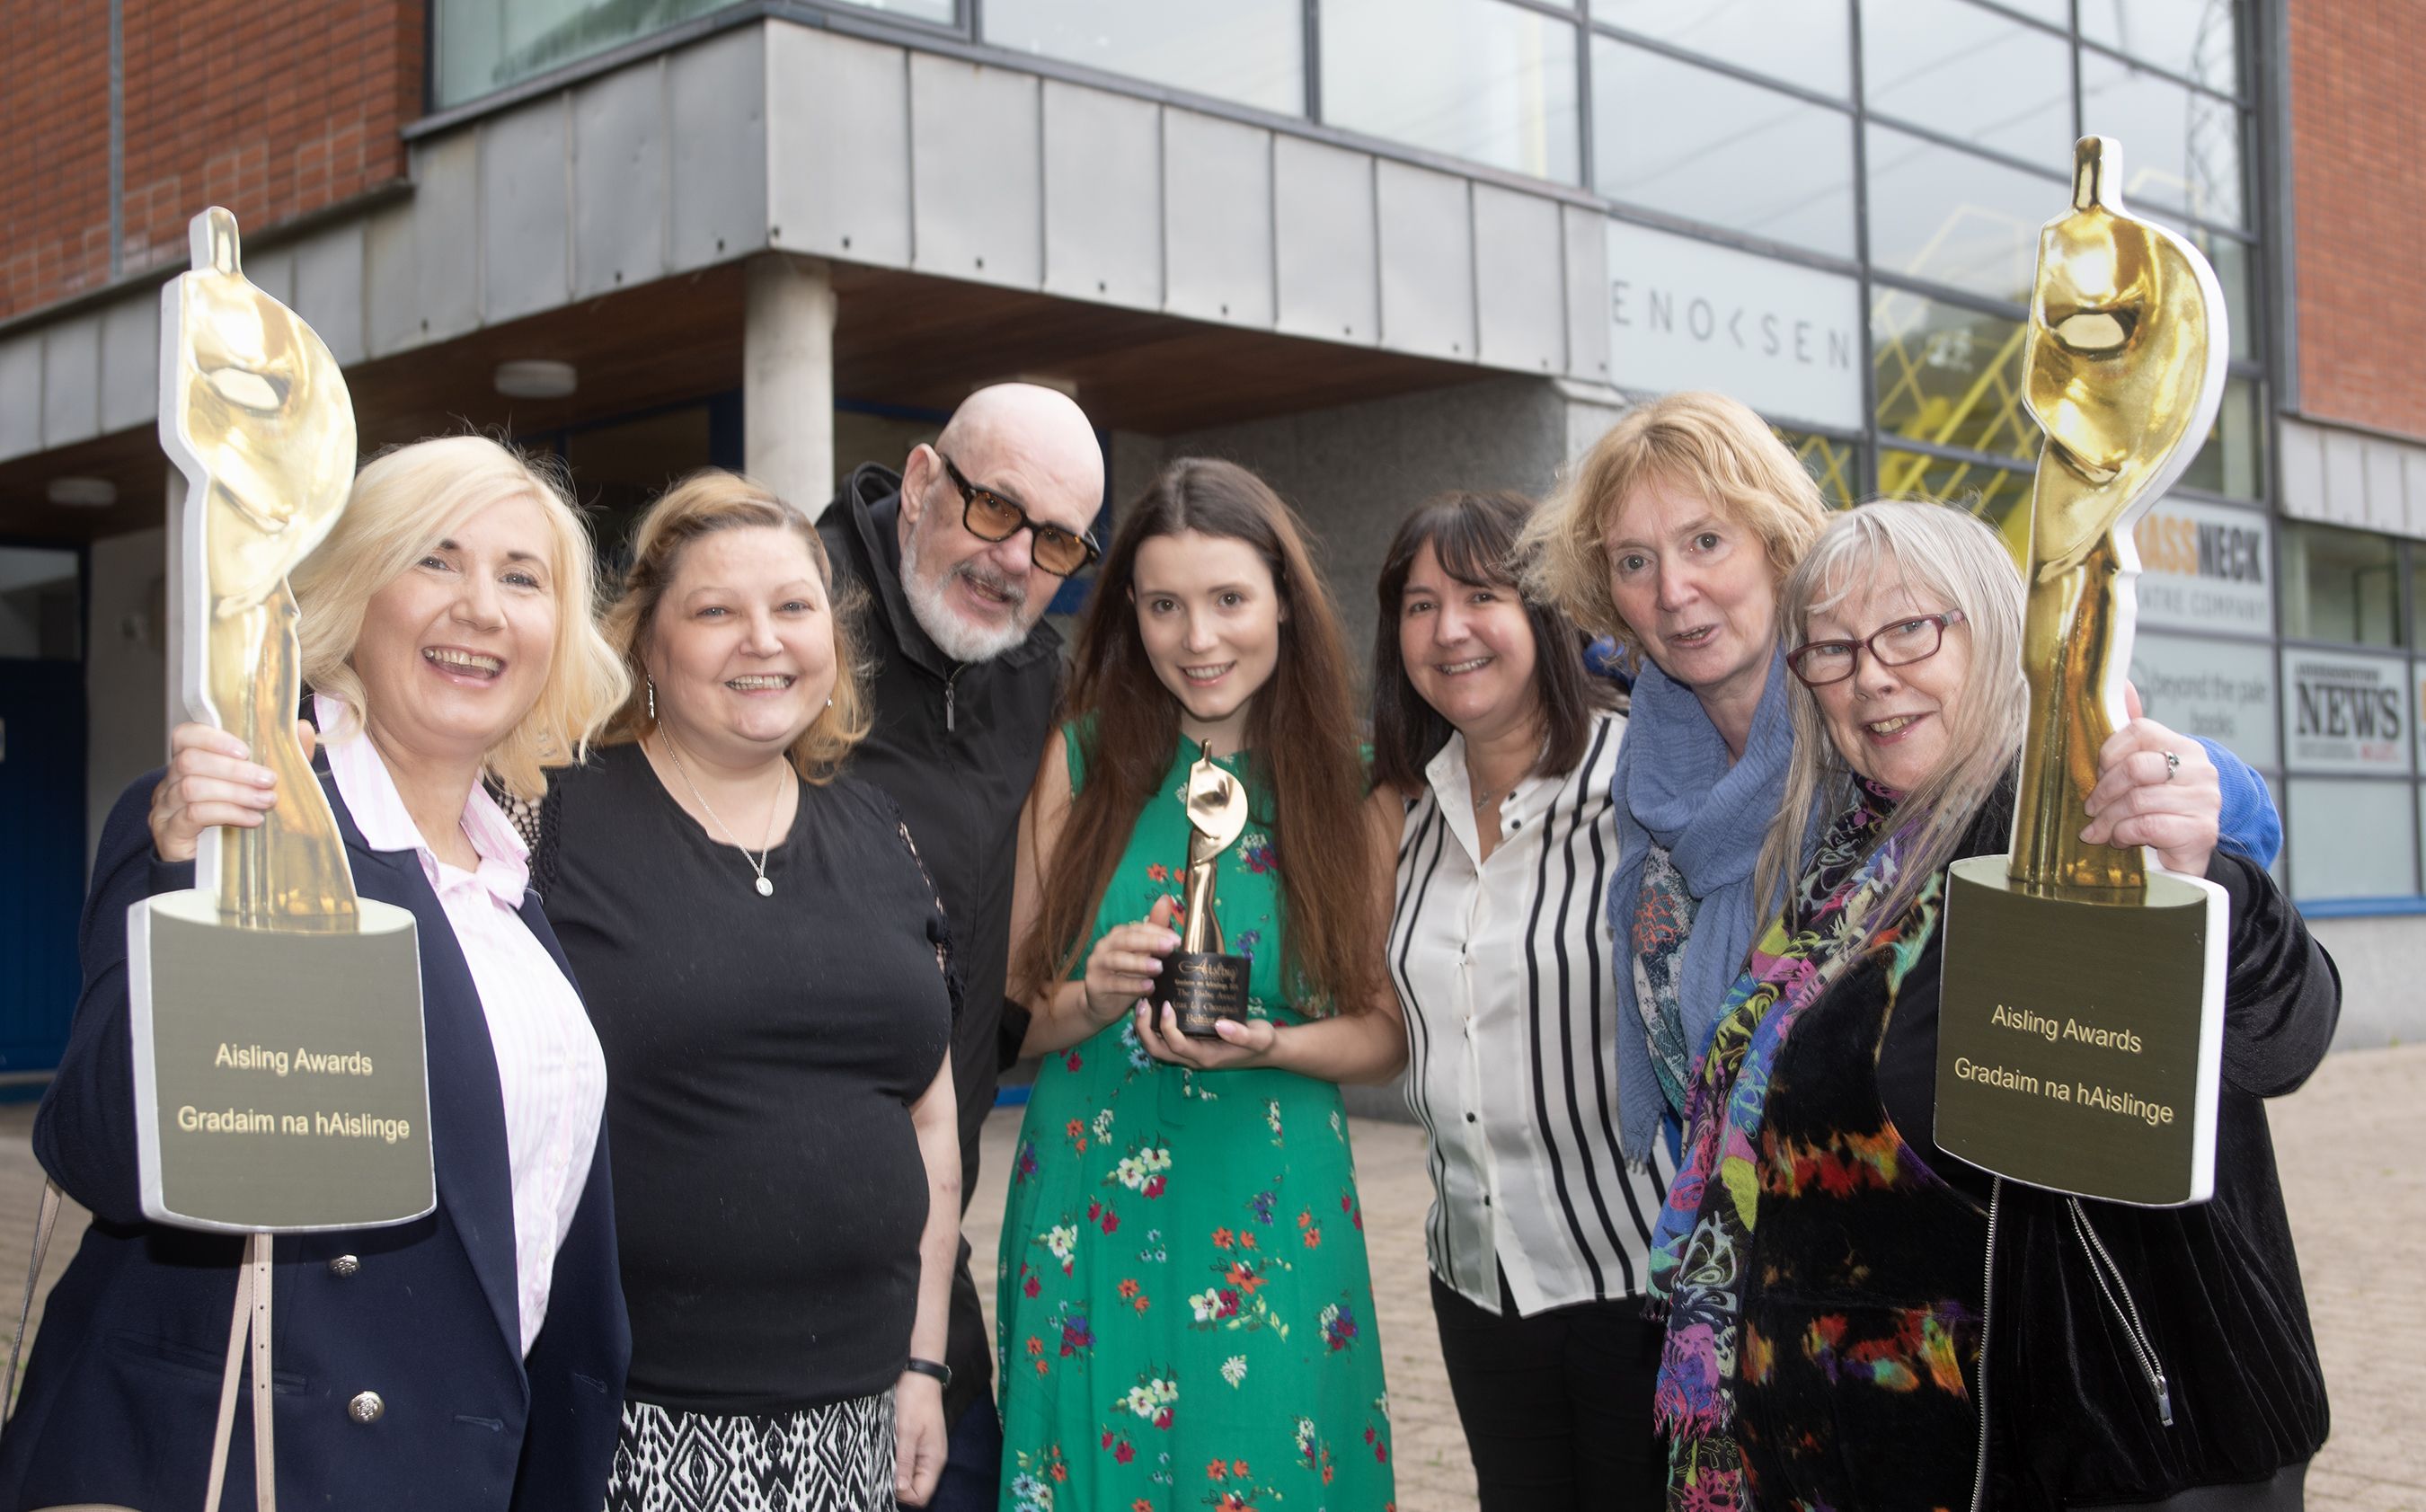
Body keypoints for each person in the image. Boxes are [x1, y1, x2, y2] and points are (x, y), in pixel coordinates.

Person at [1643, 500, 2334, 1510]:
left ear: (2000, 632)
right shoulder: (1853, 860)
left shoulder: (2075, 821)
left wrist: (2209, 878)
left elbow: (2285, 1039)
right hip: (1867, 1438)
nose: (1871, 673)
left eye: (1911, 629)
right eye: (1830, 650)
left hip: (2113, 1452)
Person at [0, 436, 631, 1510]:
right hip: (238, 1468)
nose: (481, 605)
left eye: (522, 578)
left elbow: (535, 1259)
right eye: (434, 559)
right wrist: (185, 874)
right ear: (349, 594)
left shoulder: (513, 882)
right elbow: (101, 1153)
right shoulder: (238, 821)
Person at [1518, 391, 2285, 1172]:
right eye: (1634, 561)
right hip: (1724, 1243)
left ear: (1776, 543)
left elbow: (2215, 824)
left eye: (1706, 540)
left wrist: (2171, 781)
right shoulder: (1649, 770)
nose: (1672, 590)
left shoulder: (1883, 726)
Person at [534, 473, 962, 1511]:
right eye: (716, 611)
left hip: (858, 1416)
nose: (762, 640)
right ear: (647, 642)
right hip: (631, 1419)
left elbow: (933, 1122)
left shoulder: (885, 834)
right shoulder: (548, 822)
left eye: (793, 607)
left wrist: (924, 1366)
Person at [999, 458, 1402, 1512]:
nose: (1199, 638)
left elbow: (1384, 1035)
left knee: (1265, 1468)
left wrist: (1273, 1043)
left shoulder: (1356, 783)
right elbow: (1013, 1017)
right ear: (1129, 614)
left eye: (1229, 599)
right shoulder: (1078, 761)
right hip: (1088, 1207)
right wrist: (1089, 996)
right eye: (1164, 605)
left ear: (1283, 600)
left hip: (1272, 1214)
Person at [818, 383, 1105, 1511]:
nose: (1016, 559)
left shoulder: (1036, 682)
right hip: (743, 1256)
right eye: (996, 509)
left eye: (1056, 540)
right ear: (926, 480)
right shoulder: (790, 614)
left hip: (936, 1249)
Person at [1365, 491, 1666, 1509]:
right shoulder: (1409, 809)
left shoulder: (1643, 783)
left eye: (1480, 595)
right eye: (1417, 603)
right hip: (1475, 1278)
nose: (1448, 629)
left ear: (1542, 610)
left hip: (1636, 1283)